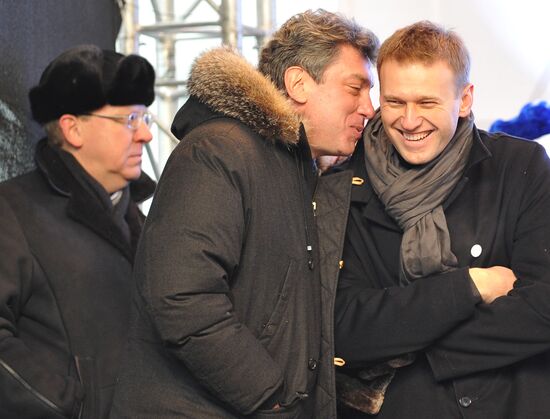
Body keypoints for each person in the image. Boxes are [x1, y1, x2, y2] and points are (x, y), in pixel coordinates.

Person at [109, 9, 379, 419]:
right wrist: (268, 396)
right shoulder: (219, 151)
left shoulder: (292, 167)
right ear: (299, 84)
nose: (369, 108)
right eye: (356, 89)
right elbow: (183, 299)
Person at [323, 20, 550, 418]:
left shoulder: (520, 166)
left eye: (427, 103)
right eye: (395, 102)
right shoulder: (342, 186)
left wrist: (409, 348)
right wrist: (471, 286)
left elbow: (543, 308)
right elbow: (346, 329)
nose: (409, 121)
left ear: (464, 100)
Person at [0, 45, 156, 419]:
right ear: (73, 128)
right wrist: (73, 406)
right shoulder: (12, 211)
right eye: (129, 120)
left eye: (145, 117)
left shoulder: (143, 222)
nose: (146, 135)